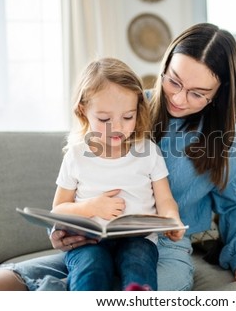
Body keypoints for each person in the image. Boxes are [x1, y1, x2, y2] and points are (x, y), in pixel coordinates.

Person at [0, 23, 236, 291]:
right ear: (164, 66)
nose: (178, 99)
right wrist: (61, 232)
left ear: (218, 94)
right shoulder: (127, 108)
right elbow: (75, 187)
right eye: (174, 81)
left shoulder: (226, 138)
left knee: (143, 289)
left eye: (197, 94)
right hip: (95, 238)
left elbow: (234, 202)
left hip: (161, 243)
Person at [51, 57, 185, 291]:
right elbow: (58, 209)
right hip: (88, 243)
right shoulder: (76, 155)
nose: (117, 127)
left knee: (138, 258)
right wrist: (90, 207)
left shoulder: (148, 151)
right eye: (104, 119)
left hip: (138, 240)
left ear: (138, 111)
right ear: (83, 111)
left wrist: (172, 219)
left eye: (127, 117)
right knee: (91, 265)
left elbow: (164, 199)